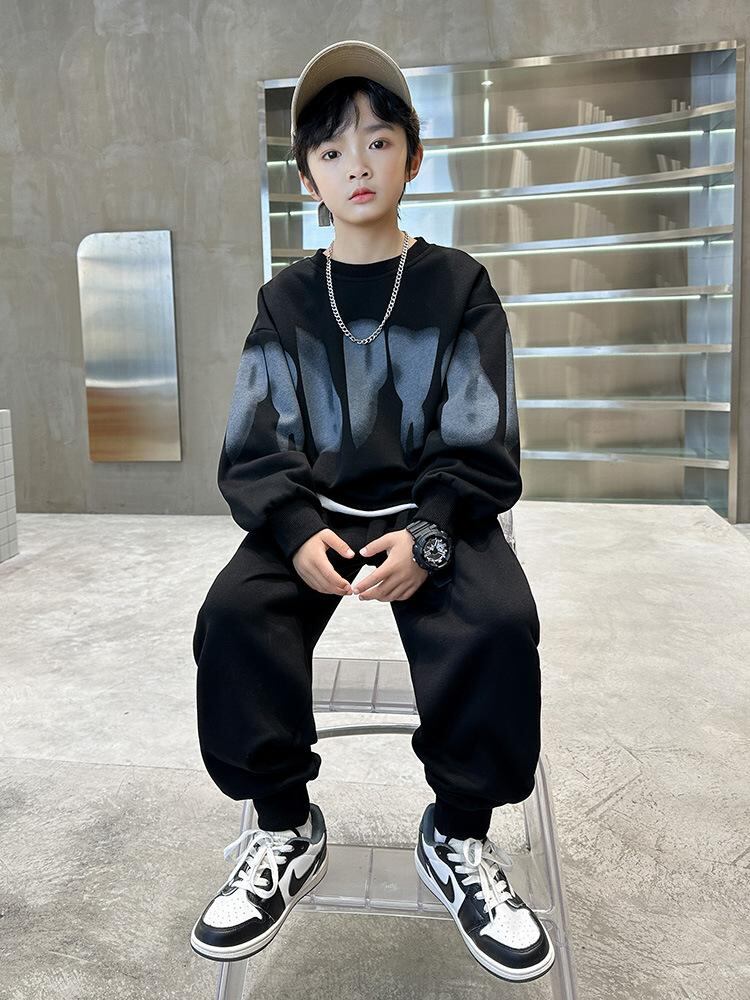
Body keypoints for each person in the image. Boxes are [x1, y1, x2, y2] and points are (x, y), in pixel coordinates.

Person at [190, 40, 554, 984]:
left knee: (497, 622)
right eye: (333, 149)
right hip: (314, 513)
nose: (358, 163)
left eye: (380, 141)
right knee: (235, 617)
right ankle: (284, 828)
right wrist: (291, 528)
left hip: (434, 510)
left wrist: (429, 535)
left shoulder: (459, 285)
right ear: (307, 177)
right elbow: (254, 439)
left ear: (413, 159)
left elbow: (482, 437)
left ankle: (458, 835)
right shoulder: (285, 299)